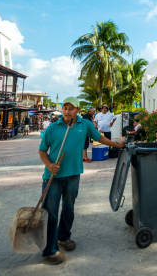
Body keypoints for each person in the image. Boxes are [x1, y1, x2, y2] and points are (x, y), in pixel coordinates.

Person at [38, 97, 123, 265]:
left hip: (73, 175)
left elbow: (99, 138)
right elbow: (42, 151)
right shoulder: (53, 128)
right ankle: (50, 250)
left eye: (71, 108)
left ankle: (63, 237)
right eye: (65, 108)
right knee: (51, 212)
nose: (67, 111)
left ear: (77, 110)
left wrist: (117, 144)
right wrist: (49, 165)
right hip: (53, 177)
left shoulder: (85, 125)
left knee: (69, 209)